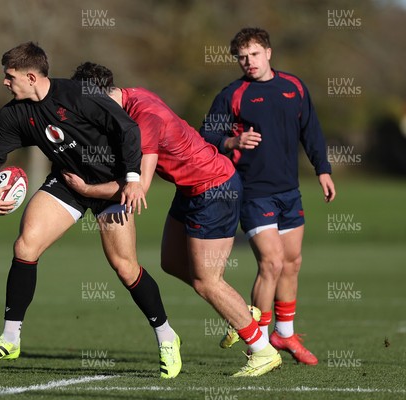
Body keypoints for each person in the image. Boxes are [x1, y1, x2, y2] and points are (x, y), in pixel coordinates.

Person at [0, 42, 182, 379]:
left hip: (111, 187)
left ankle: (167, 336)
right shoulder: (14, 113)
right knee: (26, 245)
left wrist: (131, 179)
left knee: (125, 268)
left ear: (30, 76)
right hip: (68, 184)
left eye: (9, 76)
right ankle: (10, 337)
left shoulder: (77, 94)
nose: (4, 82)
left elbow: (127, 128)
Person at [65, 62, 281, 377]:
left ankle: (263, 349)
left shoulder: (144, 119)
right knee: (172, 262)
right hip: (192, 189)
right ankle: (241, 312)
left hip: (215, 189)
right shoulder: (130, 97)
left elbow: (139, 188)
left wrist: (85, 189)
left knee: (207, 281)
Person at [200, 27, 336, 365]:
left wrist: (323, 169)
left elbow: (312, 130)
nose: (248, 61)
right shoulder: (233, 94)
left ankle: (284, 335)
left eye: (254, 54)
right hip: (251, 192)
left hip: (289, 191)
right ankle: (257, 341)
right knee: (271, 262)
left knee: (292, 263)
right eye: (242, 57)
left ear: (269, 53)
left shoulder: (294, 87)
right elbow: (206, 133)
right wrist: (232, 142)